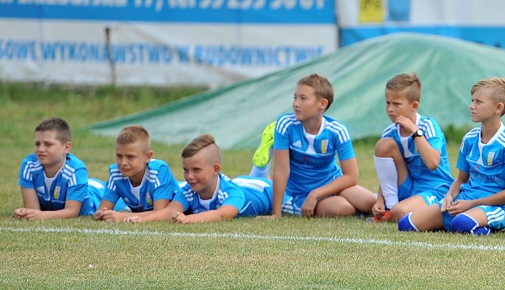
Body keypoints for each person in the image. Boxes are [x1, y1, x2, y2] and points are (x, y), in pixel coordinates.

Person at [397, 77, 505, 235]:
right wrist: (449, 196)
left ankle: (494, 224)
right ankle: (470, 225)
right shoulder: (469, 139)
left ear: (498, 108)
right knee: (406, 224)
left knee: (461, 222)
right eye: (472, 100)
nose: (471, 106)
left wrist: (472, 203)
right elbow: (460, 180)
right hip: (464, 200)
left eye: (478, 102)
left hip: (493, 207)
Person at [271, 74, 375, 218]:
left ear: (322, 104)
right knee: (344, 208)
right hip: (301, 195)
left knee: (370, 202)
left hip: (331, 186)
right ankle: (292, 206)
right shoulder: (285, 125)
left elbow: (351, 176)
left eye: (303, 98)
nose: (296, 103)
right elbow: (281, 171)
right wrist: (276, 213)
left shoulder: (337, 130)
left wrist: (316, 194)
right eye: (295, 97)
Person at [370, 73, 454, 223]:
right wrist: (380, 199)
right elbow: (388, 174)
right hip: (408, 186)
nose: (390, 109)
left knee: (400, 213)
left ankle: (398, 210)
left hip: (435, 188)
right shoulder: (389, 132)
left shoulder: (428, 126)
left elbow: (433, 163)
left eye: (396, 104)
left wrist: (415, 131)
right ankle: (389, 207)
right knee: (384, 145)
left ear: (414, 106)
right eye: (387, 103)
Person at [133, 134, 272, 223]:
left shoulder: (232, 193)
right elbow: (170, 211)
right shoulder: (188, 191)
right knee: (178, 189)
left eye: (196, 170)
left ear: (215, 169)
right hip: (240, 181)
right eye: (186, 170)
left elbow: (222, 215)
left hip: (263, 189)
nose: (189, 176)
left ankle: (265, 160)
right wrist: (141, 220)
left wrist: (188, 219)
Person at [14, 116, 104, 219]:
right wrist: (25, 213)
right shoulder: (29, 165)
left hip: (98, 192)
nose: (41, 149)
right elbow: (33, 210)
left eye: (48, 144)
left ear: (66, 147)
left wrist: (43, 215)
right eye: (37, 144)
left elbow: (72, 211)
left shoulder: (75, 170)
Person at [93, 125, 178, 223]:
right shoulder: (116, 173)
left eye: (130, 157)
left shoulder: (158, 171)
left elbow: (160, 213)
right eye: (119, 156)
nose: (123, 162)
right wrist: (103, 214)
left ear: (147, 157)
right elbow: (103, 208)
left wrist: (121, 217)